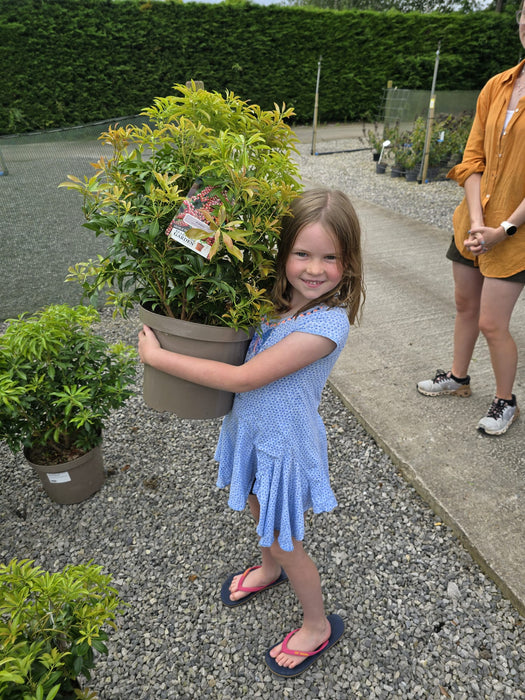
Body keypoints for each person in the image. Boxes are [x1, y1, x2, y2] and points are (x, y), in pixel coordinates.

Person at [138, 188, 365, 677]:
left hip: (284, 444)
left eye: (329, 258)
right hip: (253, 431)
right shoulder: (275, 301)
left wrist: (159, 359)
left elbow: (244, 377)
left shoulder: (326, 325)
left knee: (285, 537)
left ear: (348, 264)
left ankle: (317, 624)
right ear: (283, 254)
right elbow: (216, 258)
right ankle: (268, 569)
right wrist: (201, 214)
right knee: (261, 514)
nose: (312, 268)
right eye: (301, 254)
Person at [417, 7, 525, 436]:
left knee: (492, 323)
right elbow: (471, 159)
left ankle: (505, 400)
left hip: (515, 235)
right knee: (465, 306)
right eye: (523, 15)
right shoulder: (498, 85)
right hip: (474, 224)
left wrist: (503, 231)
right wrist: (479, 223)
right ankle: (458, 378)